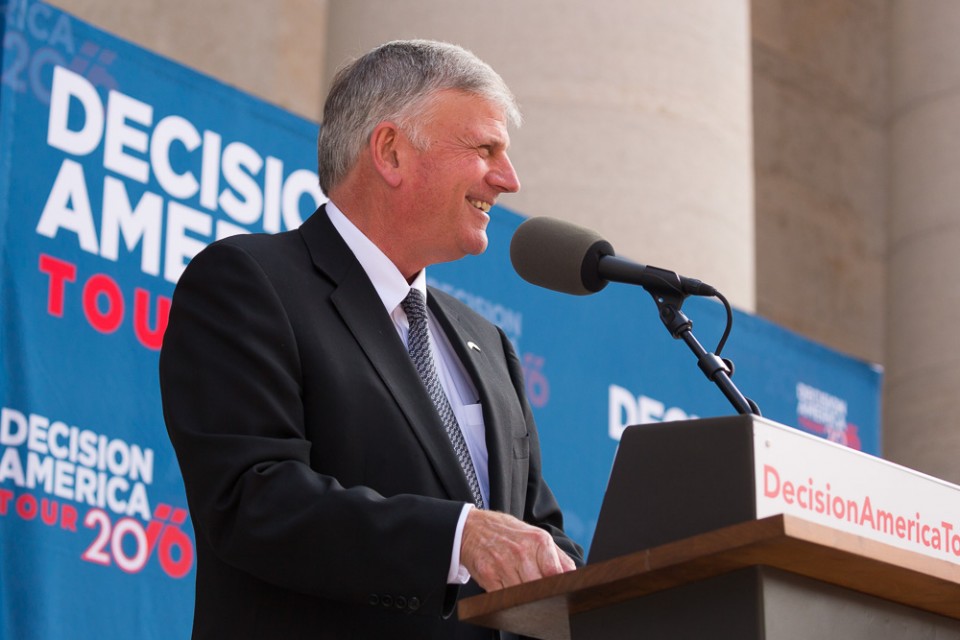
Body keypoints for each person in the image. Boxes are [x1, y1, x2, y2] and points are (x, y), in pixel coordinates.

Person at [159, 39, 583, 639]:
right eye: (484, 148)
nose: (508, 179)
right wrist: (460, 536)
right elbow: (253, 500)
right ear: (390, 152)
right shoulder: (250, 283)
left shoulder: (486, 341)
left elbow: (538, 535)